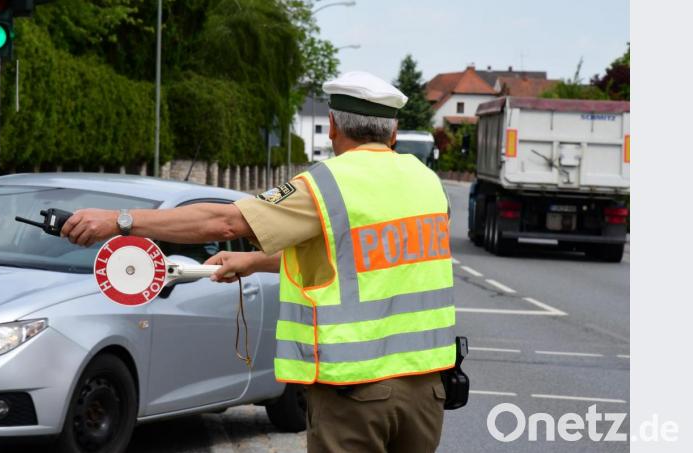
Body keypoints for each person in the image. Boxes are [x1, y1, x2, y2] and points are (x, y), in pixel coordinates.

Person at [60, 71, 456, 453]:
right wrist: (253, 261)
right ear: (393, 131)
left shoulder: (327, 184)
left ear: (333, 125)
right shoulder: (425, 182)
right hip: (426, 391)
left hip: (357, 393)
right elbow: (355, 256)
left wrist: (120, 221)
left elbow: (225, 219)